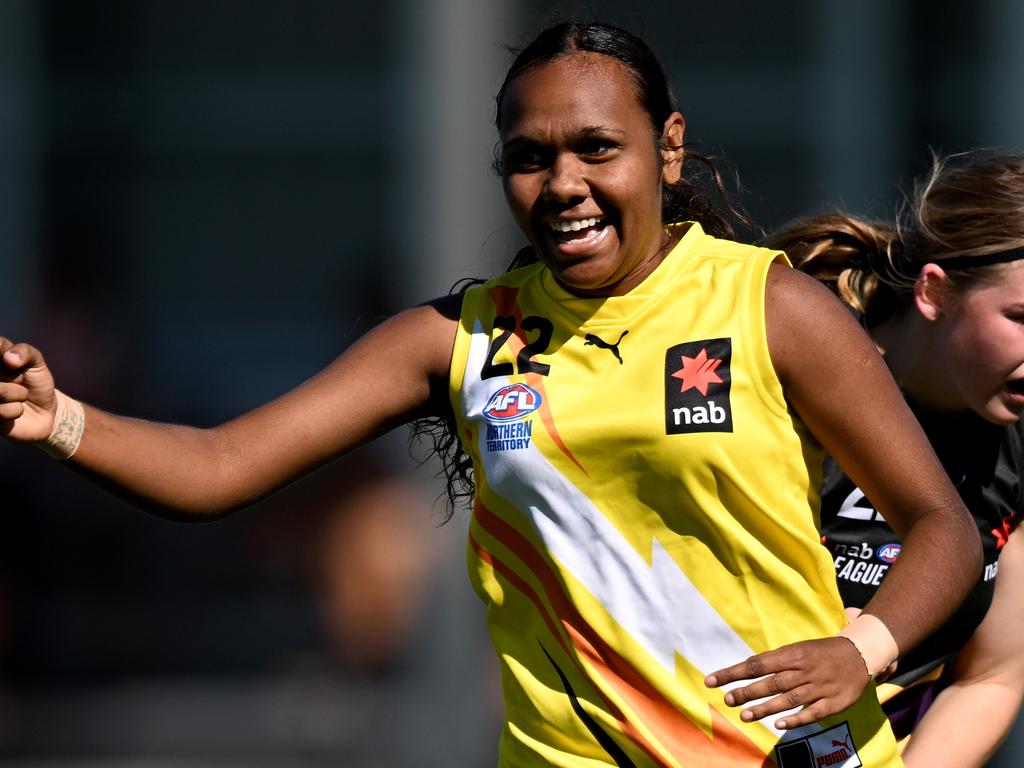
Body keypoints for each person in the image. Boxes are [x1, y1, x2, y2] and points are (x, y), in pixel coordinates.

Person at [0, 21, 980, 767]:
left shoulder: (768, 305)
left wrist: (864, 647)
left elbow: (942, 524)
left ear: (667, 150)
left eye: (597, 148)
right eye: (530, 155)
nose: (563, 182)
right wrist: (61, 422)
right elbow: (219, 466)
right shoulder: (460, 338)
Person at [766, 150, 1024, 767]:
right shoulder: (783, 375)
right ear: (933, 291)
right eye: (1020, 318)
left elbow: (990, 676)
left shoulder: (1015, 447)